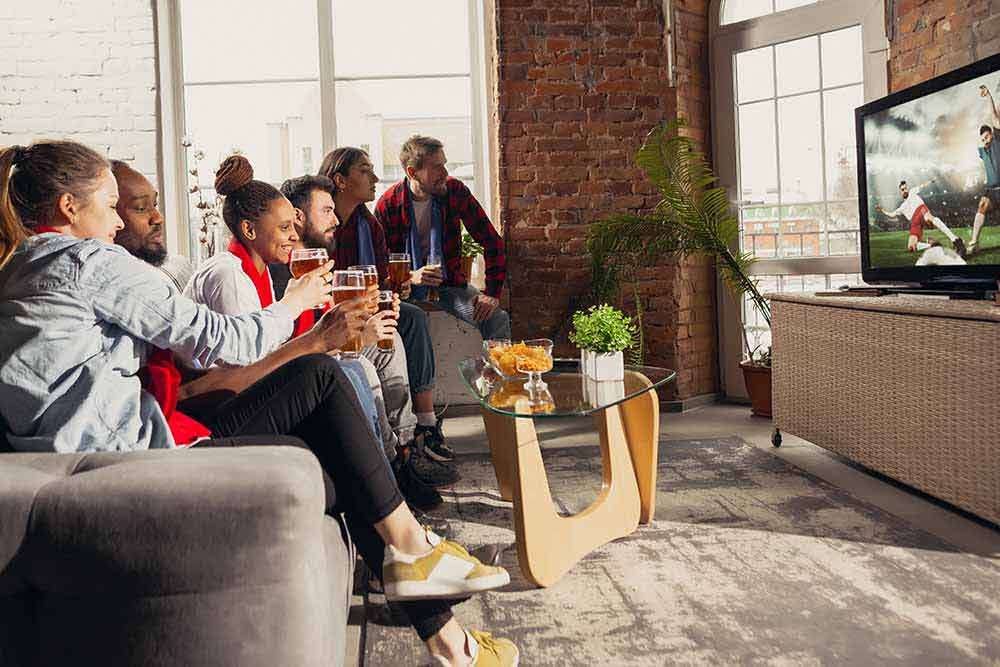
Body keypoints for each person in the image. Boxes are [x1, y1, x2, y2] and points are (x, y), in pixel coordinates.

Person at [0, 140, 518, 667]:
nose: (119, 222)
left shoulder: (23, 265)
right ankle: (428, 585)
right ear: (69, 207)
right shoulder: (89, 261)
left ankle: (439, 617)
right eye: (114, 206)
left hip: (100, 438)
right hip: (120, 449)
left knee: (333, 431)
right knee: (323, 389)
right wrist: (297, 302)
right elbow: (220, 341)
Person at [184, 157, 456, 507]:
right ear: (250, 230)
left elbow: (273, 341)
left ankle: (397, 459)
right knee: (355, 368)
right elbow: (245, 365)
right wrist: (324, 332)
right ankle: (384, 475)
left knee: (383, 347)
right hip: (225, 400)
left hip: (258, 373)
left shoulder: (260, 268)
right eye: (284, 228)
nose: (293, 235)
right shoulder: (229, 276)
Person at [309, 151, 455, 463]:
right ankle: (400, 440)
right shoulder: (317, 228)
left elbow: (379, 280)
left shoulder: (369, 224)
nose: (376, 178)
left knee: (412, 316)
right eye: (366, 171)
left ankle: (425, 424)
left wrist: (396, 287)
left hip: (366, 307)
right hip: (332, 316)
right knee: (394, 335)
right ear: (341, 180)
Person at [374, 135, 510, 341]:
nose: (445, 173)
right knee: (406, 323)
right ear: (412, 172)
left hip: (449, 286)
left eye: (444, 165)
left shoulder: (455, 192)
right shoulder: (388, 204)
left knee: (496, 318)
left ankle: (495, 373)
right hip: (404, 292)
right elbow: (379, 265)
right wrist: (411, 276)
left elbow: (491, 241)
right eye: (436, 167)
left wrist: (491, 293)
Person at [875, 180, 966, 257]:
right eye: (903, 189)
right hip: (915, 222)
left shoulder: (912, 192)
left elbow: (922, 186)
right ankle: (932, 245)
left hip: (921, 210)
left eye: (906, 188)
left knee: (929, 218)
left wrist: (930, 181)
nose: (905, 190)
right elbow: (891, 215)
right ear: (900, 192)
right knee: (911, 247)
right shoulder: (902, 207)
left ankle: (956, 240)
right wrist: (882, 210)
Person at [969, 84, 1000, 254]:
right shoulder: (982, 150)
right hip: (992, 190)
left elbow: (994, 117)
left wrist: (988, 96)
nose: (985, 140)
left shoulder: (997, 141)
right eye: (983, 138)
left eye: (987, 136)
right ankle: (973, 243)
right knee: (981, 205)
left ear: (993, 135)